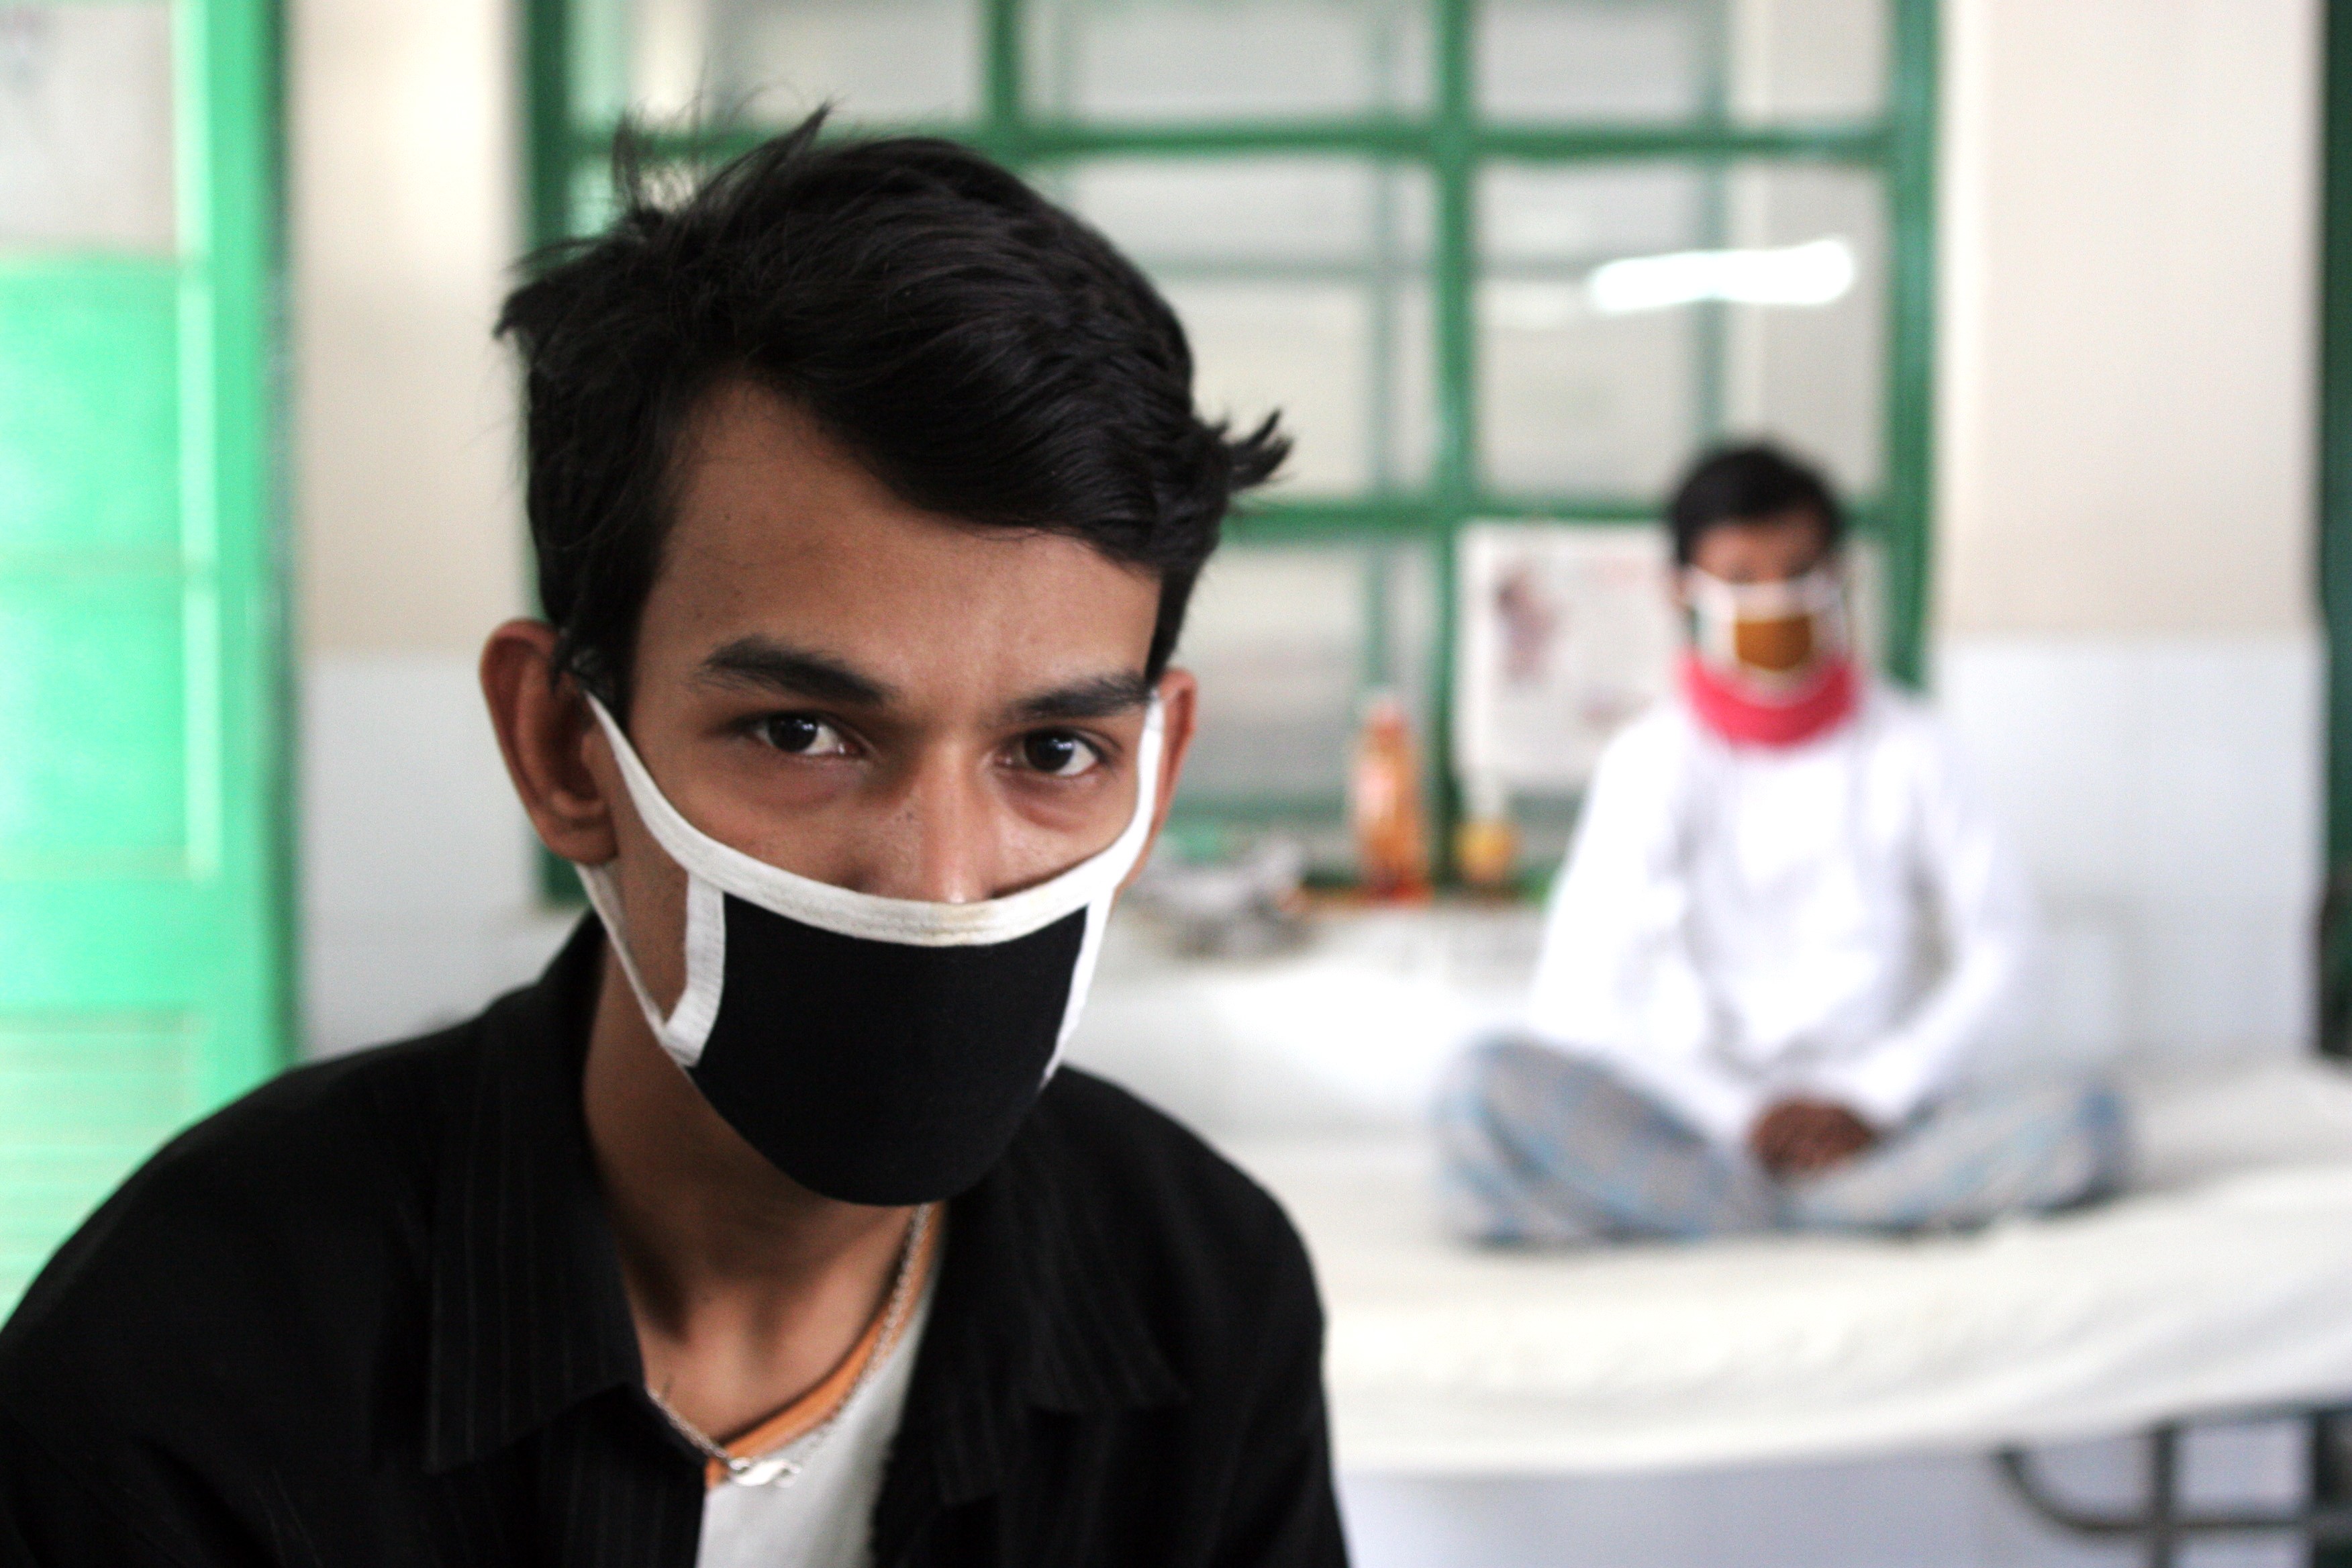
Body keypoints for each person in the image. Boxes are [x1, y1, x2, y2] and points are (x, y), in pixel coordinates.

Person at [0, 118, 1348, 1566]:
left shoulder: (1203, 1299)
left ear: (1157, 770)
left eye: (1054, 753)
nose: (942, 880)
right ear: (567, 749)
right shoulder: (190, 1352)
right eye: (803, 734)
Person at [1436, 444, 2124, 1244]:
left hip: (1879, 1123)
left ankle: (1741, 1216)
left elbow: (2006, 951)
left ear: (1841, 574)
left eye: (1799, 571)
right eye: (1742, 577)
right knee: (1481, 1091)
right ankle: (1835, 1213)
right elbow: (1578, 997)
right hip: (1698, 1122)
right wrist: (1742, 1115)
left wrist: (1873, 1096)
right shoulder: (1653, 760)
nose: (1776, 599)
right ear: (1682, 589)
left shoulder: (1915, 746)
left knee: (2087, 1121)